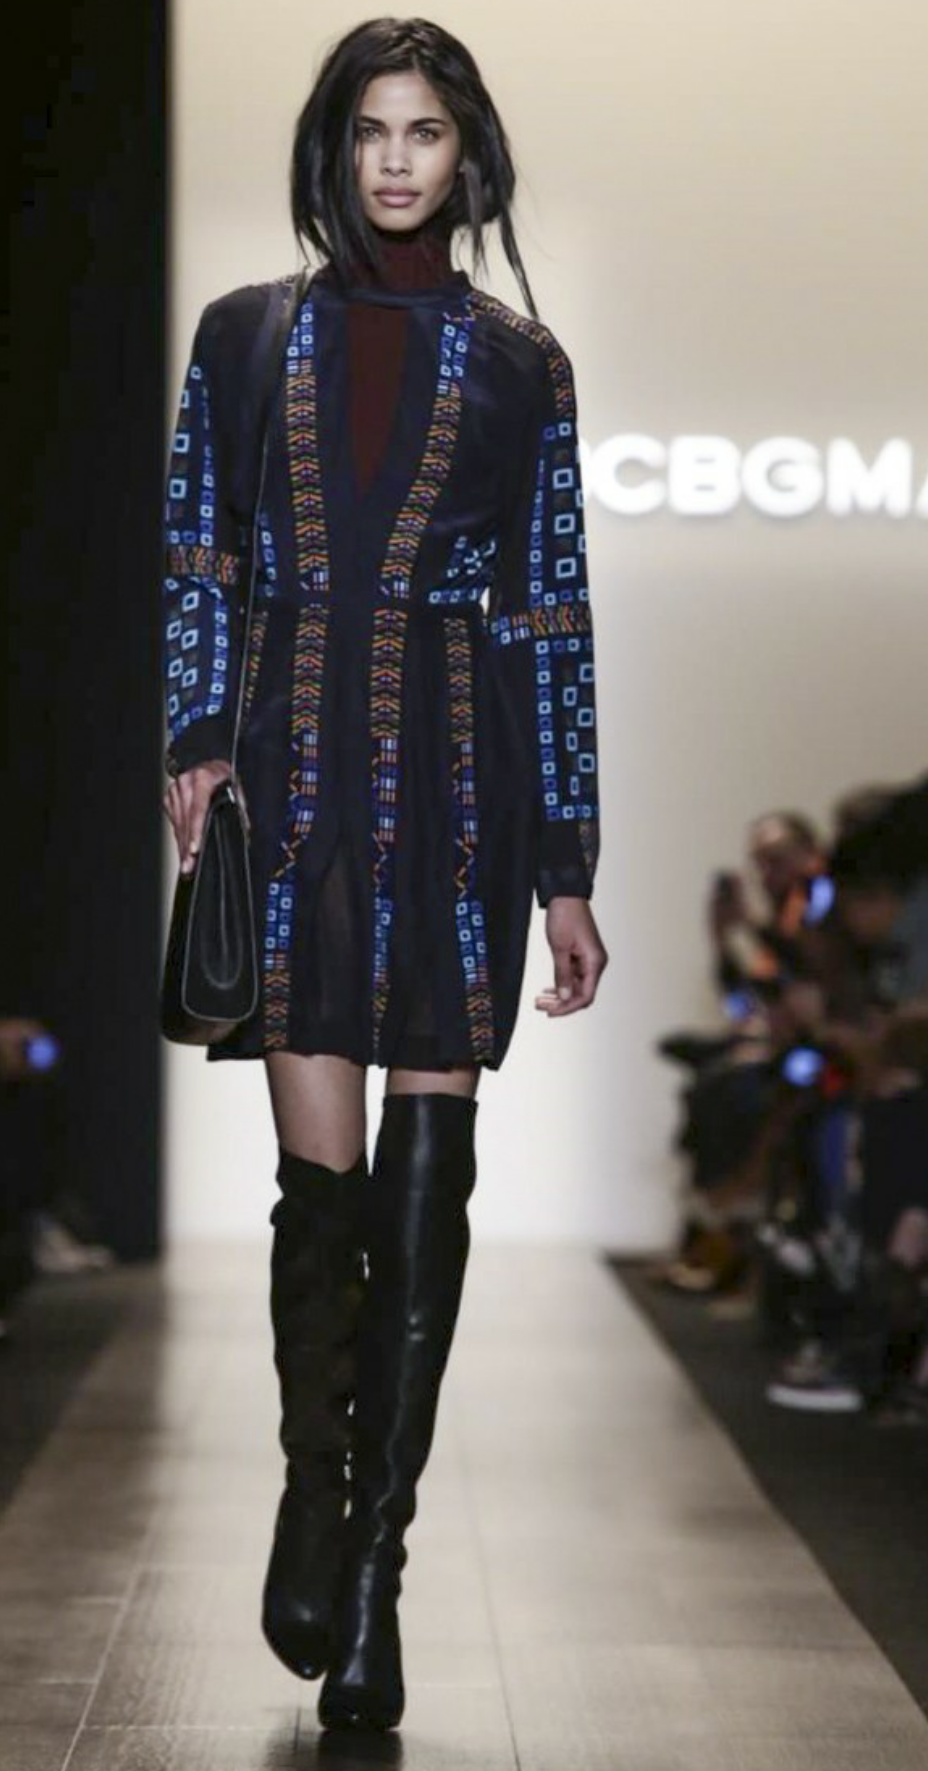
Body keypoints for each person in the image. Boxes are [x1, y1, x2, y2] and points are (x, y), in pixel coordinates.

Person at [160, 18, 608, 1735]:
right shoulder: (241, 333)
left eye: (425, 131)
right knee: (319, 1190)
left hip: (459, 783)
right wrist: (196, 734)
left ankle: (375, 1579)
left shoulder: (524, 364)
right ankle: (311, 1484)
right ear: (334, 149)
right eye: (371, 130)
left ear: (466, 152)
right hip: (293, 776)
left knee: (430, 1187)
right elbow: (199, 548)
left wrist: (566, 863)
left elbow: (551, 612)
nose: (398, 159)